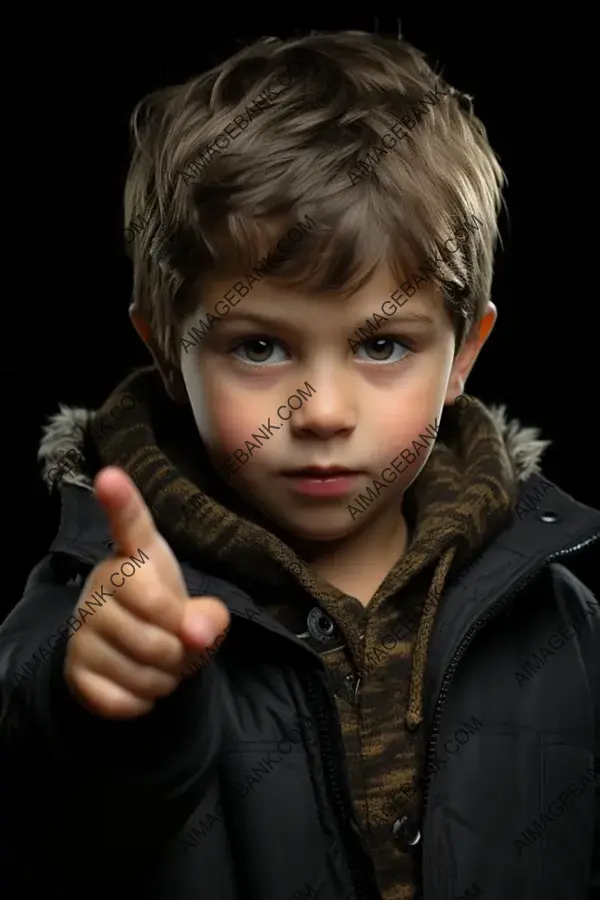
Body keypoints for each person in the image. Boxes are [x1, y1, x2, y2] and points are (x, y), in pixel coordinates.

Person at [1, 29, 598, 900]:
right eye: (259, 348)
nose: (320, 412)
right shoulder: (105, 598)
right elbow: (45, 804)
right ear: (168, 350)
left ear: (465, 352)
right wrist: (104, 702)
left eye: (384, 344)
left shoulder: (559, 621)